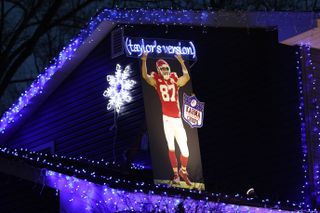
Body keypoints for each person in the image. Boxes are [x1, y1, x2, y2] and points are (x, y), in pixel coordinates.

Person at [141, 52, 192, 186]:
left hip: (178, 119)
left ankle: (183, 170)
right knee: (171, 147)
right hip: (167, 119)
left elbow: (186, 77)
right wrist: (144, 61)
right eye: (162, 69)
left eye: (166, 68)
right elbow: (145, 76)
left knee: (185, 150)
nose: (165, 70)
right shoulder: (157, 80)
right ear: (158, 70)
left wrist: (182, 62)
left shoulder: (175, 79)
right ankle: (176, 174)